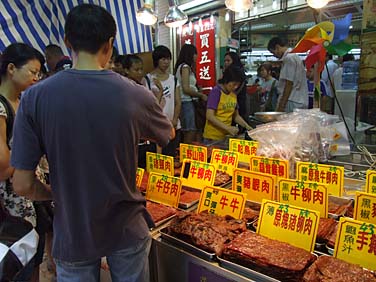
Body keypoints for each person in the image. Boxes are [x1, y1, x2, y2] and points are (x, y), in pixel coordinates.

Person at [10, 4, 173, 282]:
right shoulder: (136, 94)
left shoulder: (34, 99)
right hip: (127, 226)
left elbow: (22, 185)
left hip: (73, 231)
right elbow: (167, 134)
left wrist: (56, 193)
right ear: (110, 44)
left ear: (67, 42)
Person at [0, 42, 44, 282]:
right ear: (10, 69)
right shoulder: (1, 107)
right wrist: (31, 152)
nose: (36, 78)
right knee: (15, 262)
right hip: (11, 203)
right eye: (32, 71)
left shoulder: (24, 101)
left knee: (32, 256)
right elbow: (3, 167)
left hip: (29, 196)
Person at [147, 45, 181, 157]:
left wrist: (175, 120)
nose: (166, 62)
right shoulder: (148, 79)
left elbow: (178, 102)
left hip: (172, 126)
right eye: (163, 59)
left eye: (168, 59)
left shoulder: (173, 79)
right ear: (156, 60)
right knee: (156, 159)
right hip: (154, 127)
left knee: (170, 157)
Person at [203, 65, 252, 142]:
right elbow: (209, 116)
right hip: (212, 137)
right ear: (226, 80)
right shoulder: (216, 92)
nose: (235, 87)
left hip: (225, 136)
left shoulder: (233, 94)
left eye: (238, 85)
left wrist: (247, 127)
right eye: (234, 84)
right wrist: (228, 128)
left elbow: (236, 116)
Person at [174, 44, 207, 144]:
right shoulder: (185, 67)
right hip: (185, 102)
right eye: (195, 54)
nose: (197, 56)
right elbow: (186, 88)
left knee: (190, 129)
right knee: (190, 130)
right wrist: (200, 95)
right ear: (191, 54)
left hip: (186, 102)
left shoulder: (184, 67)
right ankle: (185, 154)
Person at [267, 37, 308, 112]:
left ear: (277, 47)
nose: (274, 56)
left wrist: (281, 106)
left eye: (273, 52)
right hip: (297, 100)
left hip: (291, 100)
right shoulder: (293, 57)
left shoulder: (289, 58)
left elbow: (289, 84)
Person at [223, 51, 249, 130]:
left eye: (228, 61)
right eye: (225, 61)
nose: (226, 63)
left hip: (238, 103)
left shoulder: (236, 73)